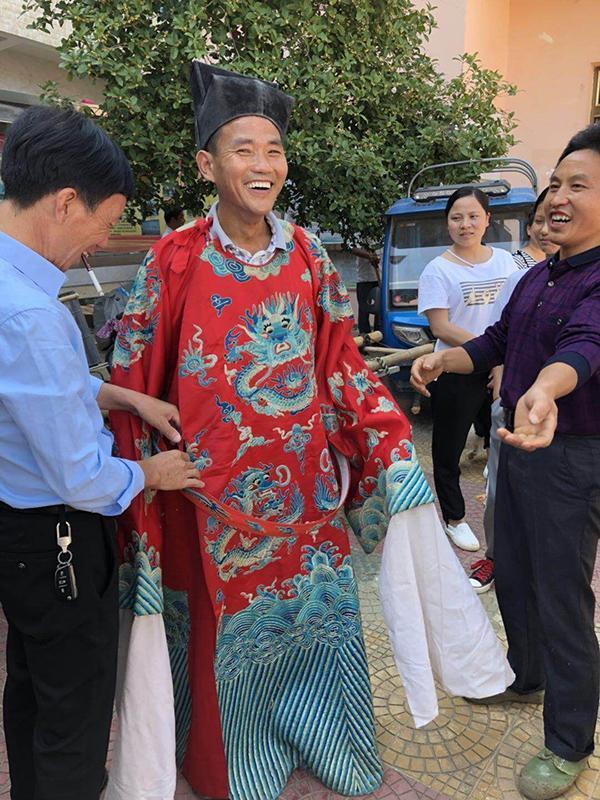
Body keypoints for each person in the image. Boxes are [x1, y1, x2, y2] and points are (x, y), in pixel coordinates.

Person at [107, 63, 513, 800]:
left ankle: (329, 741)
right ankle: (234, 767)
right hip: (213, 505)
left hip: (303, 496)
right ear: (206, 165)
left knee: (319, 622)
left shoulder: (306, 254)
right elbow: (134, 373)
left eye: (274, 150)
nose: (263, 165)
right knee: (223, 636)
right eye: (243, 150)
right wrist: (143, 478)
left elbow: (339, 364)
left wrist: (388, 440)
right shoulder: (175, 259)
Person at [0, 106, 201, 800]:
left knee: (32, 685)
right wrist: (151, 472)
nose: (101, 243)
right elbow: (81, 476)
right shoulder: (32, 314)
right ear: (64, 202)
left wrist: (122, 397)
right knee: (75, 711)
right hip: (57, 536)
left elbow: (34, 390)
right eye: (104, 221)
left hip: (17, 535)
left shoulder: (14, 289)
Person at [411, 122, 600, 800]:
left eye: (579, 186)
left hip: (569, 455)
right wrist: (444, 359)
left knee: (562, 598)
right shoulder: (536, 277)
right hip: (517, 448)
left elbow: (583, 348)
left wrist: (546, 390)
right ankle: (527, 675)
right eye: (556, 183)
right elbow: (493, 342)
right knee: (513, 572)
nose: (559, 197)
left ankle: (569, 741)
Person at [469, 188, 559, 593]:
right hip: (513, 407)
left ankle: (541, 571)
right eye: (539, 220)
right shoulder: (521, 278)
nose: (546, 229)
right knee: (499, 492)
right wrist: (499, 396)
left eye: (555, 220)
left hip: (566, 419)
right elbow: (499, 339)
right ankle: (495, 557)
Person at [417, 187, 517, 551]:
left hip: (500, 370)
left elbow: (515, 315)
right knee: (448, 450)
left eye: (473, 216)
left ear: (488, 219)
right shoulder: (437, 270)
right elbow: (441, 327)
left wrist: (499, 359)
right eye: (457, 217)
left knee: (504, 444)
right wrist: (489, 351)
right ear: (447, 223)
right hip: (455, 371)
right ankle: (454, 518)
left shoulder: (506, 263)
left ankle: (504, 513)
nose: (465, 224)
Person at [352, 246, 380, 333]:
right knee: (363, 310)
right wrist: (369, 256)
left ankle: (379, 333)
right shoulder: (359, 238)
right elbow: (354, 249)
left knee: (380, 309)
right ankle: (364, 334)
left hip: (381, 279)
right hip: (364, 280)